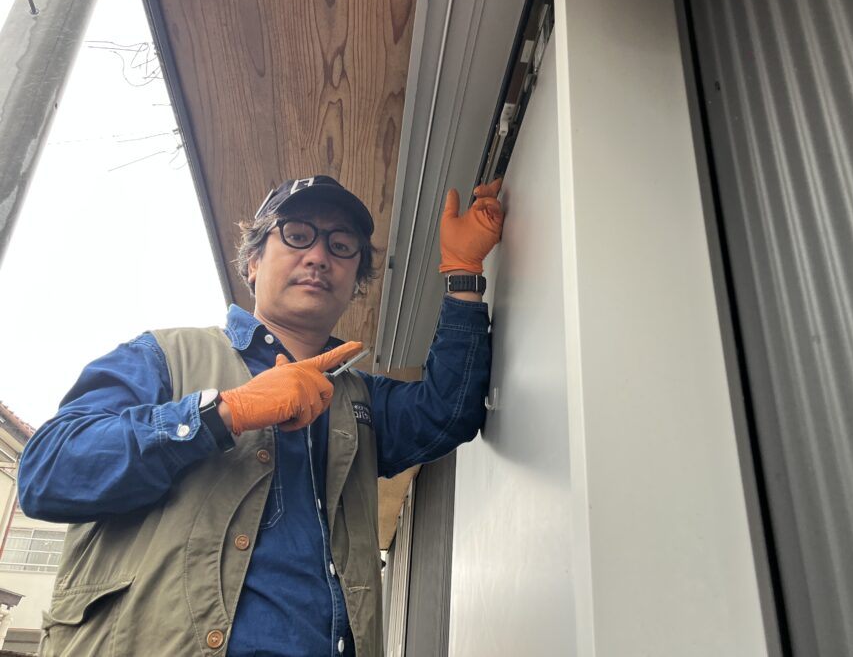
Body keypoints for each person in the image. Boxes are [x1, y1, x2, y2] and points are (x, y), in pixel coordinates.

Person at [17, 174, 504, 657]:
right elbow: (47, 472)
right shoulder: (163, 356)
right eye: (297, 235)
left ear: (355, 282)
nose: (318, 256)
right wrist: (224, 412)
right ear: (252, 262)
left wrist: (462, 272)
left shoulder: (359, 400)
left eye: (341, 246)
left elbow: (448, 411)